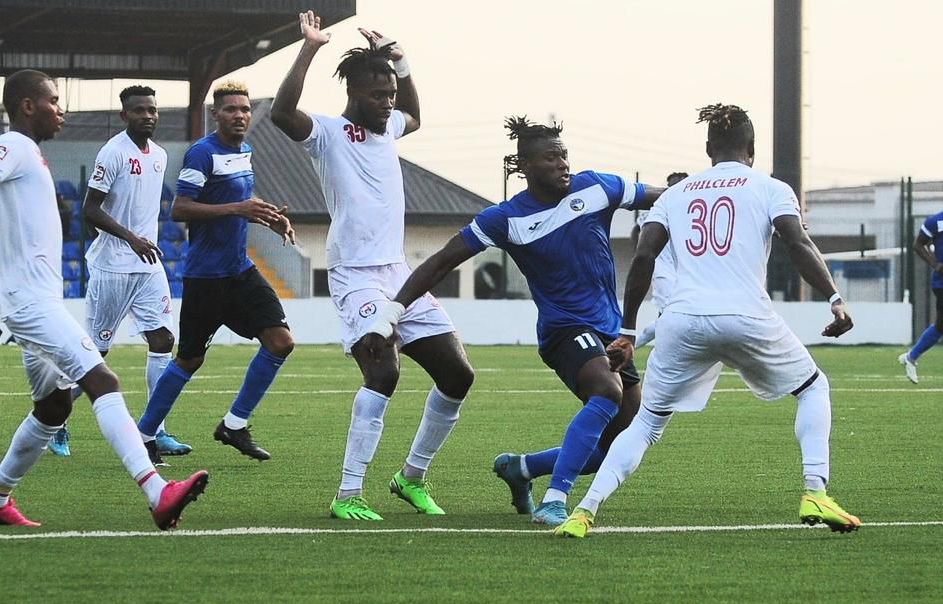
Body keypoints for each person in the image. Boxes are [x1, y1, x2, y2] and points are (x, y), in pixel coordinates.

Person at [553, 103, 861, 539]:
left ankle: (584, 511)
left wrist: (625, 331)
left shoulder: (677, 194)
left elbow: (643, 256)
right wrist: (834, 298)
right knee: (813, 387)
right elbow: (797, 241)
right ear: (752, 149)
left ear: (707, 148)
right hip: (746, 315)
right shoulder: (771, 187)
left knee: (645, 424)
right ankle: (815, 489)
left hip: (683, 321)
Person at [361, 115, 663, 526]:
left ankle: (520, 468)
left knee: (615, 444)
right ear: (525, 165)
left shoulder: (596, 187)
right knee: (605, 391)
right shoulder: (505, 218)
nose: (562, 164)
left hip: (611, 334)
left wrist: (706, 188)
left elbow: (661, 196)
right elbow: (441, 262)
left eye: (564, 155)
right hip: (564, 330)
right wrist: (393, 310)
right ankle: (556, 500)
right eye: (552, 157)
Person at [0, 69, 207, 529]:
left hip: (31, 299)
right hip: (33, 303)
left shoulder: (28, 154)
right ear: (28, 106)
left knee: (54, 407)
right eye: (54, 100)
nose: (62, 110)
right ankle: (158, 492)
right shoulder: (14, 145)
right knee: (103, 381)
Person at [271, 10, 474, 521]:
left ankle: (411, 476)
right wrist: (310, 48)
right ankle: (348, 493)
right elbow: (280, 113)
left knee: (458, 375)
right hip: (355, 275)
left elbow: (416, 114)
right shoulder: (327, 132)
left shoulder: (390, 130)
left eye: (390, 94)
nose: (388, 103)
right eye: (378, 95)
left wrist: (400, 59)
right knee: (383, 370)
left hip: (400, 276)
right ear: (354, 95)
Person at [135, 81, 295, 462]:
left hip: (240, 271)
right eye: (231, 110)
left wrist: (269, 216)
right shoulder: (201, 154)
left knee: (281, 341)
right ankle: (143, 436)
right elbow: (181, 209)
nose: (239, 115)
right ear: (215, 114)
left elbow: (243, 199)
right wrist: (238, 210)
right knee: (189, 360)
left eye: (244, 109)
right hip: (206, 278)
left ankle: (234, 425)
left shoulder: (245, 151)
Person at [47, 86, 191, 461]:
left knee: (162, 340)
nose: (148, 115)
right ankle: (55, 420)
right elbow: (89, 210)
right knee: (95, 353)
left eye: (153, 110)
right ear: (124, 116)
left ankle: (155, 429)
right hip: (112, 266)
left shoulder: (159, 155)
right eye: (139, 110)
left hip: (147, 265)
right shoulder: (112, 153)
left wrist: (143, 243)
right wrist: (131, 239)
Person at [630, 171, 689, 348]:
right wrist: (638, 252)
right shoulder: (657, 210)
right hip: (662, 271)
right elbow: (636, 229)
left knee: (666, 319)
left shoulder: (692, 211)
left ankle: (628, 346)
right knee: (673, 315)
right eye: (674, 185)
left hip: (683, 271)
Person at [897, 213, 943, 383]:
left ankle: (911, 357)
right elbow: (918, 245)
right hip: (941, 283)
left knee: (940, 325)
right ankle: (911, 356)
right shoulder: (936, 221)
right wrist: (935, 264)